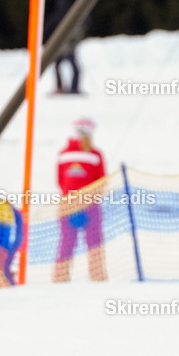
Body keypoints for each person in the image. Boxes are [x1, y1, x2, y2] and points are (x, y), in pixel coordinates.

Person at [53, 117, 108, 282]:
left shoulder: (63, 154)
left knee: (66, 245)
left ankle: (60, 279)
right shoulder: (96, 155)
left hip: (67, 204)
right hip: (90, 205)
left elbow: (60, 180)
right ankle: (98, 277)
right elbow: (101, 181)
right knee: (95, 244)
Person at [45, 0, 86, 94]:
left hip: (59, 47)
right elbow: (83, 24)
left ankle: (60, 87)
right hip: (68, 47)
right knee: (75, 68)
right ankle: (74, 88)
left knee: (58, 66)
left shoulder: (56, 16)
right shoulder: (71, 16)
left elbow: (46, 28)